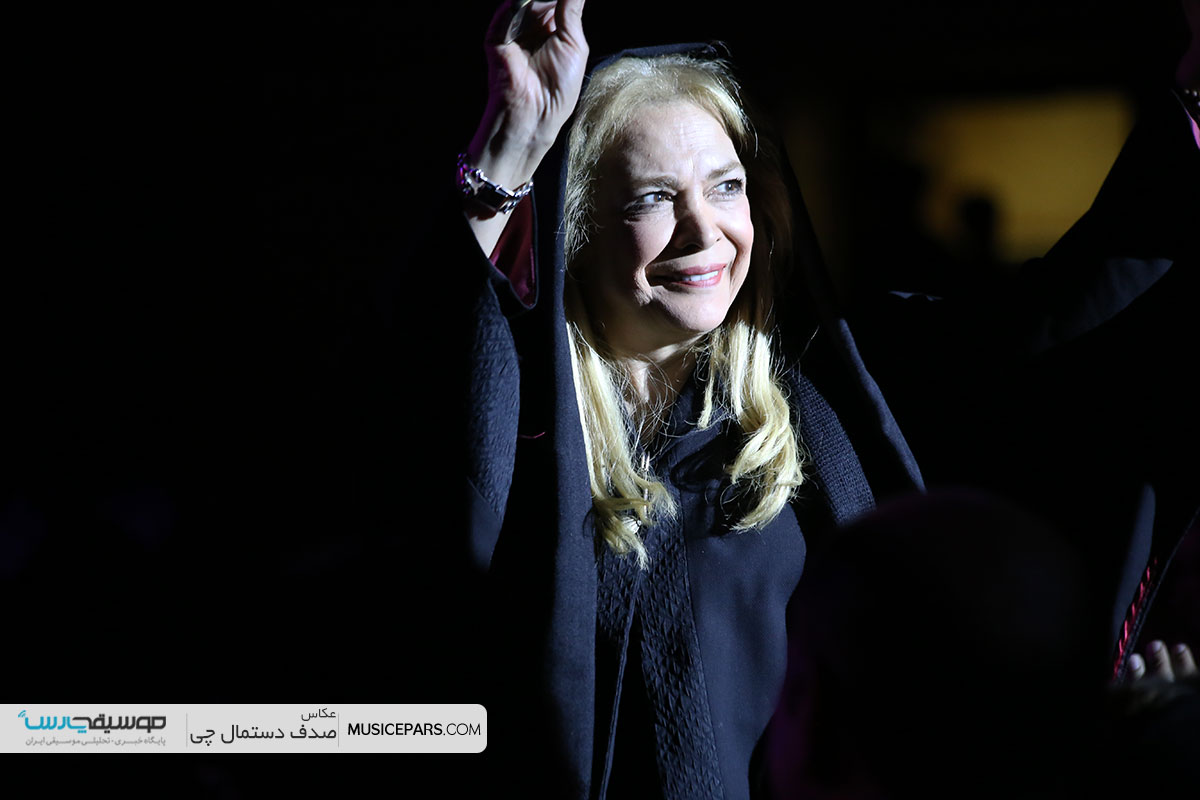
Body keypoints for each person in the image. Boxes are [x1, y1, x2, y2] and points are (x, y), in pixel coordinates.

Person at [448, 1, 1198, 797]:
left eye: (725, 186)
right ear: (576, 229)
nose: (704, 231)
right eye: (652, 198)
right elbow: (426, 435)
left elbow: (1061, 313)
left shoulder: (838, 390)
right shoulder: (521, 434)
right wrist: (507, 153)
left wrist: (1192, 95)